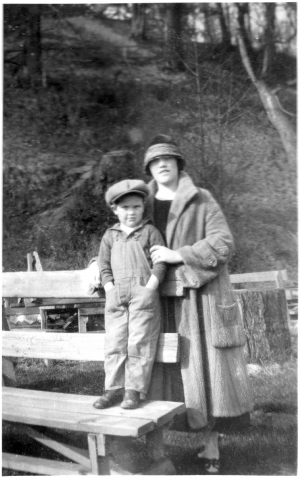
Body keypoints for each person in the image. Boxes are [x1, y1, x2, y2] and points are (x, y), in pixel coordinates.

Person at [88, 136, 252, 472]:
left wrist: (181, 254)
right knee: (157, 371)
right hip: (155, 301)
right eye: (154, 162)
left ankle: (211, 450)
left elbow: (223, 242)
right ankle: (157, 450)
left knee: (203, 373)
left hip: (198, 298)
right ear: (148, 169)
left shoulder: (200, 199)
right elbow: (123, 237)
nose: (162, 166)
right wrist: (96, 265)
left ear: (179, 165)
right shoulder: (141, 202)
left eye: (169, 160)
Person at [93, 179, 166, 410]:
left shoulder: (150, 232)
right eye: (125, 208)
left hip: (143, 295)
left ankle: (133, 391)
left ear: (143, 206)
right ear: (115, 209)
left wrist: (149, 289)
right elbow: (103, 265)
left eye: (136, 206)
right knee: (115, 342)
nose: (131, 212)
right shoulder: (110, 235)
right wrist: (109, 289)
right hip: (116, 296)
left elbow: (160, 263)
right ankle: (113, 390)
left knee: (139, 342)